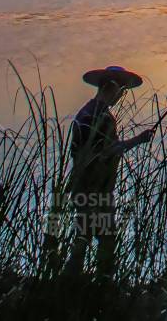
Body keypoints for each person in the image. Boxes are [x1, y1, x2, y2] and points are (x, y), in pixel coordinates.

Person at [46, 65, 155, 278]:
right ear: (112, 88)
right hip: (96, 190)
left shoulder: (85, 112)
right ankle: (101, 285)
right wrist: (139, 139)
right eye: (122, 90)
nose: (122, 95)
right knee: (106, 238)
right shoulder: (102, 117)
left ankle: (69, 282)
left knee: (83, 237)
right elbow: (108, 151)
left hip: (80, 186)